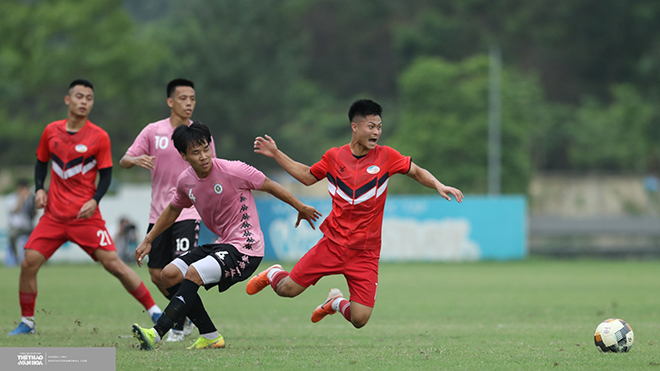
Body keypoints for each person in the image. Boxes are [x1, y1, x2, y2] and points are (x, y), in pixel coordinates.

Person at [247, 99, 464, 329]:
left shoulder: (387, 157)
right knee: (286, 290)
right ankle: (274, 274)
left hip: (365, 253)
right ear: (355, 127)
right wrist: (276, 153)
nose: (376, 132)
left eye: (379, 127)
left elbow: (417, 172)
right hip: (332, 245)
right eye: (371, 126)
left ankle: (335, 302)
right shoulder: (334, 157)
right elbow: (307, 176)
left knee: (360, 319)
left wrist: (438, 184)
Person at [130, 122, 320, 350]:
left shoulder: (234, 170)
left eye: (205, 148)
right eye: (195, 152)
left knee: (192, 273)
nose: (203, 156)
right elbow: (173, 210)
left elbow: (269, 185)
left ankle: (156, 333)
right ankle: (210, 335)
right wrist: (148, 239)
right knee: (168, 275)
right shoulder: (185, 181)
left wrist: (300, 206)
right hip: (222, 245)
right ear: (183, 155)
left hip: (246, 249)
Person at [8, 79, 162, 336]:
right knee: (28, 263)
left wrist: (95, 200)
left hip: (85, 217)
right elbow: (40, 164)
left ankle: (156, 312)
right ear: (68, 100)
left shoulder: (99, 136)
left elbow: (106, 175)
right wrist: (39, 189)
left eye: (89, 98)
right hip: (54, 217)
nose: (83, 102)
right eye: (79, 96)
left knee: (114, 264)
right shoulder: (51, 131)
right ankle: (27, 322)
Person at [119, 78, 214, 342]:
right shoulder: (153, 131)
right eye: (183, 98)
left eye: (193, 99)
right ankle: (183, 318)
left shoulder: (200, 133)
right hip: (159, 214)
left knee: (180, 270)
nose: (189, 103)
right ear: (170, 101)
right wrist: (135, 159)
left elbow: (212, 168)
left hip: (188, 212)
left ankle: (178, 323)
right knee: (157, 274)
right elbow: (124, 160)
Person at [6, 179, 36, 266]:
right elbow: (14, 211)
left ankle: (42, 260)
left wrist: (32, 200)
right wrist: (21, 199)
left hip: (28, 226)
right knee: (12, 236)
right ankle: (16, 259)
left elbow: (34, 214)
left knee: (40, 237)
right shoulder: (11, 198)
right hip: (16, 227)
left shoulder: (30, 198)